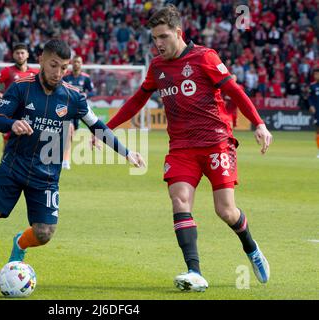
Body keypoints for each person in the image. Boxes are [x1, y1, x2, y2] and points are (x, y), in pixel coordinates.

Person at [0, 39, 145, 292]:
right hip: (13, 167)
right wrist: (12, 124)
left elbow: (97, 125)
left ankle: (19, 244)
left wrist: (126, 152)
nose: (58, 72)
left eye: (63, 67)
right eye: (54, 65)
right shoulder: (20, 87)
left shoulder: (73, 97)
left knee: (44, 233)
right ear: (41, 60)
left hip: (46, 176)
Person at [106, 5, 273, 292]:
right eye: (154, 38)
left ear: (178, 33)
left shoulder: (204, 57)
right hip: (182, 148)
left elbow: (234, 91)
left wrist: (258, 123)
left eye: (164, 36)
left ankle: (251, 247)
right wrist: (107, 127)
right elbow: (137, 100)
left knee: (226, 211)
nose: (158, 43)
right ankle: (194, 271)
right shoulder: (157, 67)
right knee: (180, 201)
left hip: (216, 143)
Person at [0, 43, 39, 150]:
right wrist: (3, 97)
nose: (20, 55)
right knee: (8, 148)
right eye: (17, 53)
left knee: (29, 147)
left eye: (22, 53)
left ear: (27, 55)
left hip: (29, 113)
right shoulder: (7, 71)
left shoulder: (35, 73)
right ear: (13, 55)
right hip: (11, 115)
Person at [61, 55, 94, 169]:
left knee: (72, 133)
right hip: (68, 108)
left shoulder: (86, 78)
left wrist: (86, 95)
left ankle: (64, 155)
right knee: (67, 132)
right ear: (71, 63)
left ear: (81, 63)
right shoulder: (65, 77)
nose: (76, 64)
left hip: (80, 109)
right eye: (74, 62)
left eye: (78, 62)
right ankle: (65, 160)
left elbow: (92, 92)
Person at [308, 67, 319, 158]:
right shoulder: (312, 86)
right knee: (318, 132)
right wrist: (311, 106)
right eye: (315, 74)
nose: (315, 76)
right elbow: (309, 98)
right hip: (317, 112)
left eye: (317, 74)